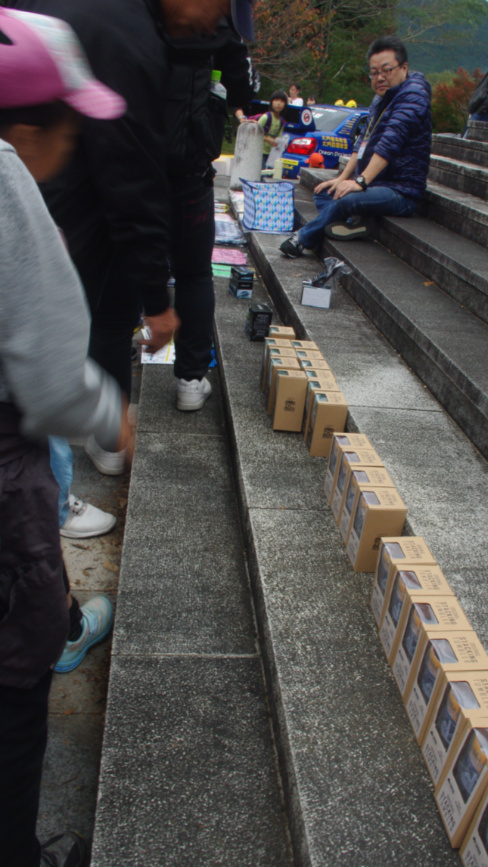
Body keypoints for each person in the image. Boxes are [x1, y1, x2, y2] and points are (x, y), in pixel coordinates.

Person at [10, 0, 255, 466]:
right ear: (26, 136)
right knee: (108, 313)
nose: (217, 27)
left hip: (79, 210)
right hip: (96, 206)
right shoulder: (128, 38)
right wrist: (157, 306)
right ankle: (75, 471)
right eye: (221, 12)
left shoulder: (127, 22)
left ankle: (79, 464)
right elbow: (128, 175)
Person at [0, 9, 132, 865]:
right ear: (22, 130)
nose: (70, 148)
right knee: (17, 678)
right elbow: (49, 374)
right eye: (67, 131)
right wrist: (111, 416)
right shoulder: (5, 179)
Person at [280, 35, 431, 257]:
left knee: (348, 200)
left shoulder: (414, 96)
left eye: (386, 70)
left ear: (404, 68)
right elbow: (363, 142)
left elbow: (391, 142)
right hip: (377, 184)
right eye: (374, 72)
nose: (380, 78)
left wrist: (361, 181)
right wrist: (342, 178)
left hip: (401, 191)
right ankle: (352, 223)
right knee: (325, 192)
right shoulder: (381, 99)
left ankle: (302, 239)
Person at [257, 89, 288, 168]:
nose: (279, 103)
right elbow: (254, 134)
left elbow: (278, 138)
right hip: (259, 152)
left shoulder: (281, 121)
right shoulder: (266, 117)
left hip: (271, 155)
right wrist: (268, 139)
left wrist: (282, 143)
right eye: (276, 100)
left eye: (282, 101)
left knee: (268, 174)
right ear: (271, 102)